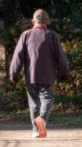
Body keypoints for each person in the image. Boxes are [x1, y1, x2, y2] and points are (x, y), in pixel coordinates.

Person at [9, 8, 69, 138]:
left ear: (32, 21)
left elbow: (17, 57)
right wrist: (64, 73)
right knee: (47, 99)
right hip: (48, 76)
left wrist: (13, 74)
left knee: (33, 103)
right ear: (47, 22)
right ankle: (42, 119)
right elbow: (61, 57)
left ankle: (36, 130)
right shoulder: (52, 36)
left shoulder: (26, 35)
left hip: (30, 77)